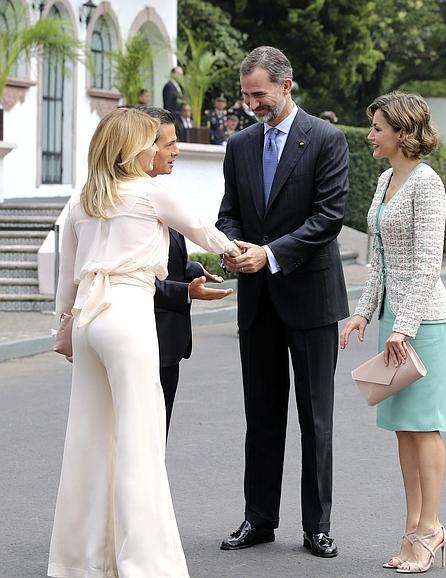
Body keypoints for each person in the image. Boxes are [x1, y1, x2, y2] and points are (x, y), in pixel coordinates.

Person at [48, 107, 238, 578]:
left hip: (89, 321)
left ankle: (81, 562)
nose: (159, 148)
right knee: (141, 441)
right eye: (153, 141)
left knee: (88, 442)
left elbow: (67, 281)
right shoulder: (150, 193)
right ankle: (147, 564)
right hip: (128, 316)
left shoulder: (82, 201)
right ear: (134, 148)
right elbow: (205, 232)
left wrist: (64, 328)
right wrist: (241, 252)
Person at [217, 46, 349, 558]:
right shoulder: (239, 145)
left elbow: (329, 217)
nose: (251, 103)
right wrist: (233, 248)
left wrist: (268, 254)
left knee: (315, 419)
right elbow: (230, 212)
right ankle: (259, 518)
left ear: (286, 86)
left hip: (311, 299)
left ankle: (317, 525)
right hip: (257, 301)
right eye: (246, 95)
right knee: (261, 414)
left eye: (260, 94)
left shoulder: (326, 139)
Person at [340, 91, 446, 573]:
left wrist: (404, 326)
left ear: (403, 133)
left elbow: (428, 263)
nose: (370, 135)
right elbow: (380, 260)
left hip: (424, 320)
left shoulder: (427, 184)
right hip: (393, 322)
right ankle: (413, 528)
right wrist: (364, 313)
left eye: (377, 128)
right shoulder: (386, 178)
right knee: (402, 430)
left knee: (424, 426)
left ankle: (431, 529)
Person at [139, 106, 233, 435]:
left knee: (153, 438)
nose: (177, 151)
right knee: (142, 441)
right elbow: (132, 278)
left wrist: (191, 269)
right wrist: (236, 250)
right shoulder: (139, 198)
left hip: (165, 341)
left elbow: (160, 257)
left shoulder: (156, 191)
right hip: (144, 337)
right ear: (144, 146)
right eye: (169, 144)